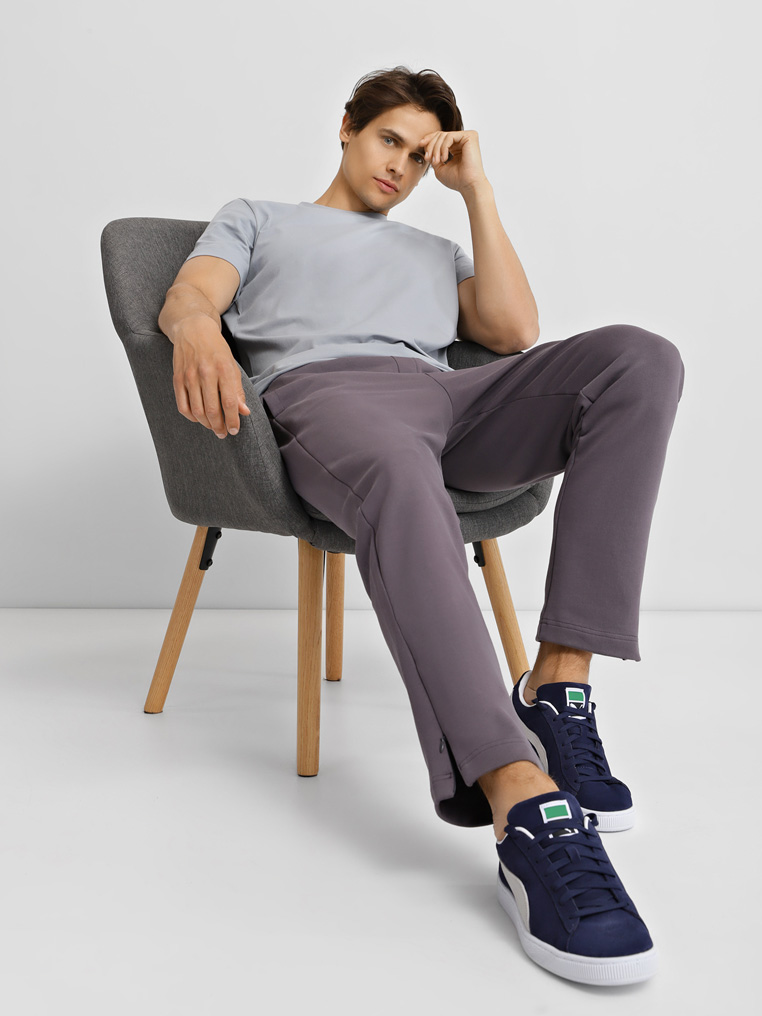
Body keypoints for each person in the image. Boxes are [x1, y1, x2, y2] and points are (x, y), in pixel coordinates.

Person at [157, 65, 685, 986]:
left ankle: (558, 686)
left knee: (640, 359)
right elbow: (190, 294)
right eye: (387, 140)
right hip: (327, 398)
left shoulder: (436, 249)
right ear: (348, 129)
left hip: (449, 399)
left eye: (419, 153)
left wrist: (475, 189)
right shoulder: (260, 217)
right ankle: (520, 797)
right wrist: (198, 328)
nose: (399, 166)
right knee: (399, 468)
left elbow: (514, 333)